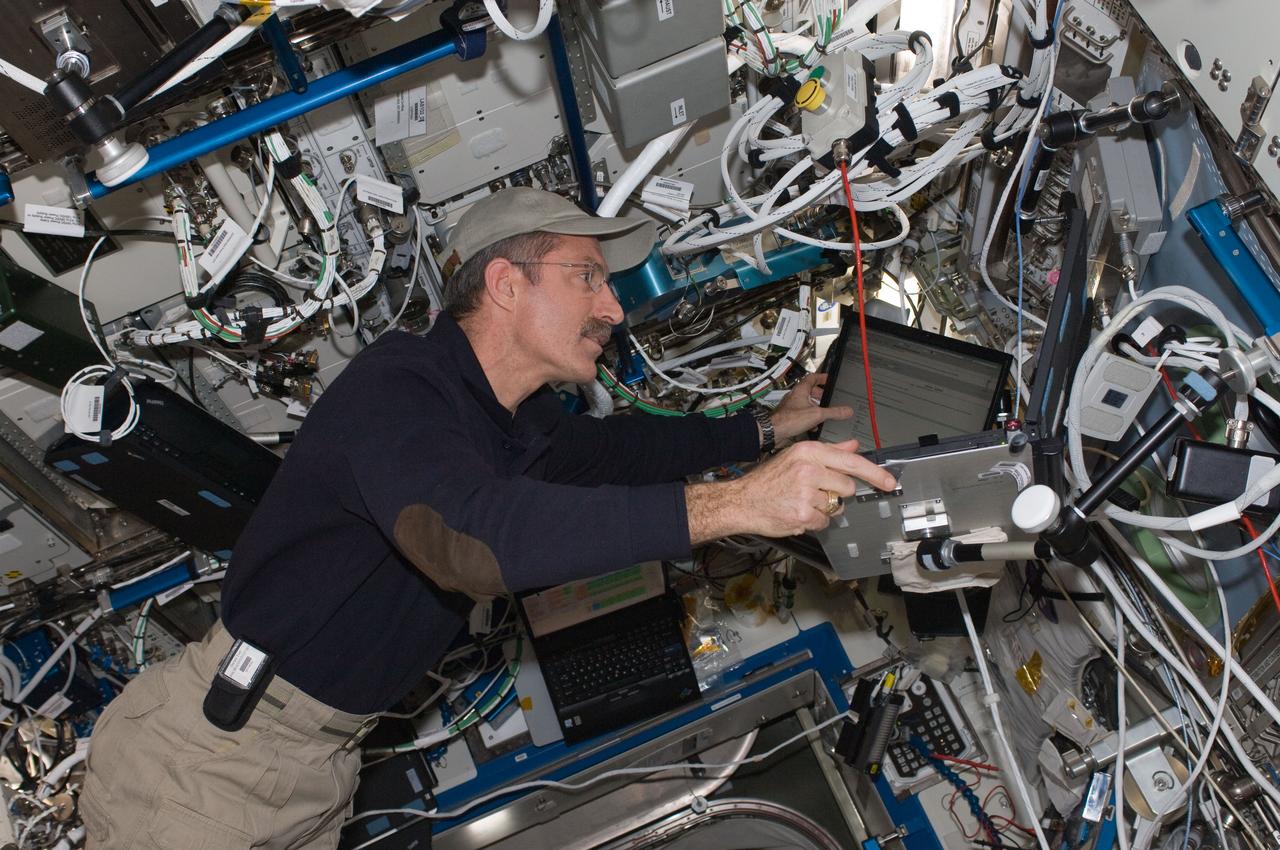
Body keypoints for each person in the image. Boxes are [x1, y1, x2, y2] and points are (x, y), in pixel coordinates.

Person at [79, 187, 896, 848]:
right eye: (589, 277)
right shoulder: (398, 389)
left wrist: (764, 430)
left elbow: (620, 452)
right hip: (216, 760)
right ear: (506, 283)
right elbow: (470, 542)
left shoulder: (517, 421)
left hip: (319, 765)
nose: (613, 309)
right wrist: (741, 503)